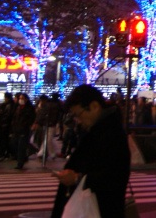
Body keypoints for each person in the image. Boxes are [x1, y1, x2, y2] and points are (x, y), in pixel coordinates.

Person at [52, 85, 130, 218]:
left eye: (78, 115)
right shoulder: (98, 130)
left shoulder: (111, 134)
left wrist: (77, 178)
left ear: (94, 106)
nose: (78, 121)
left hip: (98, 209)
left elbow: (114, 176)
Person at [10, 92, 36, 170]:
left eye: (22, 98)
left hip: (24, 129)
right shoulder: (17, 107)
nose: (20, 100)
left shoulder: (29, 108)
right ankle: (24, 157)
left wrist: (26, 125)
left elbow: (31, 118)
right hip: (16, 129)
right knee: (14, 144)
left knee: (21, 146)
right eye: (20, 98)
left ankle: (20, 163)